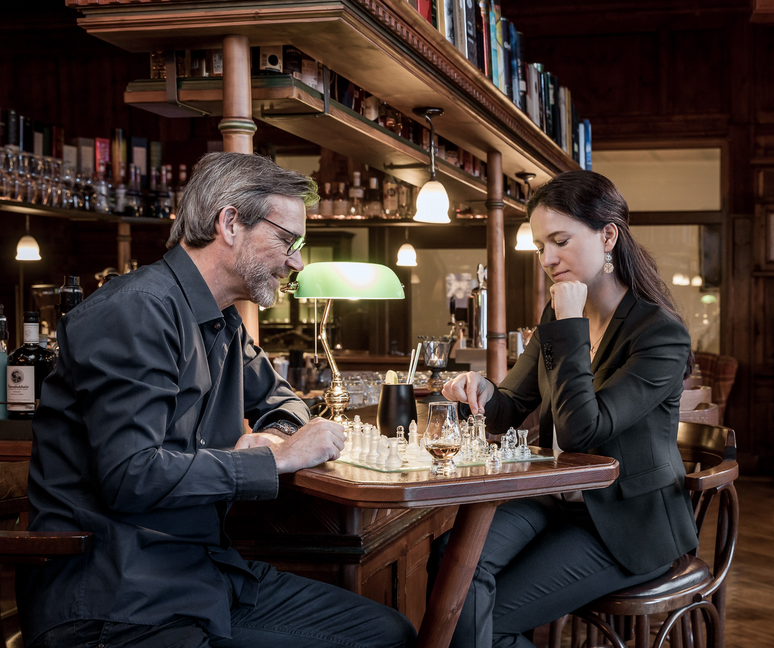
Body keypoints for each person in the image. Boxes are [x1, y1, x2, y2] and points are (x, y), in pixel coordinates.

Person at [19, 152, 416, 648]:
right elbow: (131, 477)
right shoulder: (136, 311)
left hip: (205, 575)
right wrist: (277, 458)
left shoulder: (222, 319)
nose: (295, 261)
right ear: (230, 222)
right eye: (287, 240)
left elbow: (286, 400)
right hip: (116, 599)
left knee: (387, 632)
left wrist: (274, 435)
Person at [436, 170, 698, 648]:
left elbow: (584, 432)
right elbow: (510, 408)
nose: (547, 258)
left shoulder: (659, 334)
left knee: (482, 626)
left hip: (626, 522)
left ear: (608, 236)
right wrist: (480, 389)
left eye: (560, 240)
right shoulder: (556, 317)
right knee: (448, 564)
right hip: (554, 496)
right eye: (540, 246)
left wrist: (571, 322)